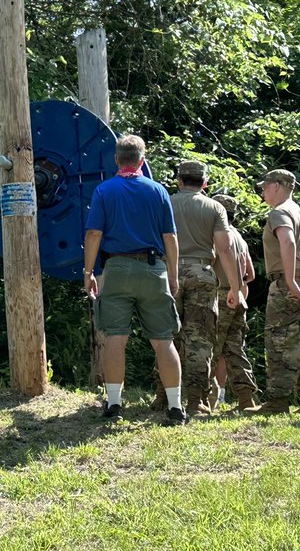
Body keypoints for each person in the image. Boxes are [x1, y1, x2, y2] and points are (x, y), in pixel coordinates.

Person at [82, 134, 186, 425]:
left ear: (117, 159)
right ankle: (176, 408)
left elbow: (93, 234)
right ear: (142, 160)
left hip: (115, 269)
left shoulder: (104, 191)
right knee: (163, 340)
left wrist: (89, 272)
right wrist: (173, 275)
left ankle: (114, 405)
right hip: (154, 268)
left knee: (115, 337)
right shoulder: (158, 191)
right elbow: (170, 237)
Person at [246, 169, 300, 417]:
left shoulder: (280, 212)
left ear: (278, 186)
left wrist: (289, 282)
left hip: (290, 283)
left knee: (280, 342)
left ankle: (278, 402)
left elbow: (288, 242)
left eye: (265, 186)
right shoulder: (298, 211)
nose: (262, 191)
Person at [170, 161, 244, 416]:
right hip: (202, 272)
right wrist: (235, 288)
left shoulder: (165, 202)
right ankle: (195, 400)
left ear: (179, 180)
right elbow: (224, 249)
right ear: (205, 183)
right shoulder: (215, 207)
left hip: (168, 274)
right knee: (199, 340)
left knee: (166, 336)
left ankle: (163, 395)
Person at [210, 193, 259, 410]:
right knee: (234, 350)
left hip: (221, 296)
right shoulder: (238, 236)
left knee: (210, 348)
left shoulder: (217, 235)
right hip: (240, 299)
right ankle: (245, 398)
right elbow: (251, 273)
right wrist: (239, 284)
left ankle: (206, 399)